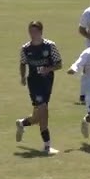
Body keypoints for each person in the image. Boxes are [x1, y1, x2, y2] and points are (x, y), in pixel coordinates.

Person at [16, 21, 62, 154]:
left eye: (35, 31)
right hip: (34, 83)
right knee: (43, 111)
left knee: (37, 117)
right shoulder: (26, 48)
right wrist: (23, 77)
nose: (33, 34)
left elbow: (59, 64)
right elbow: (23, 63)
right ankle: (47, 146)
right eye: (31, 31)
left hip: (47, 83)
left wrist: (48, 69)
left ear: (41, 32)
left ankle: (22, 123)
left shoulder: (50, 46)